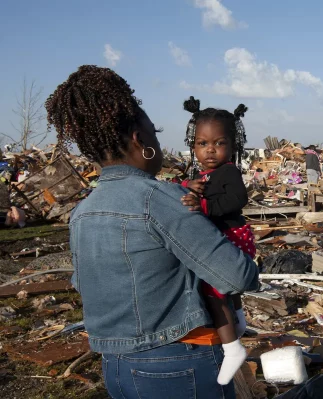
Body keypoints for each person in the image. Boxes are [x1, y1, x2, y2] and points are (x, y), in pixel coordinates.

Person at [45, 65, 258, 399]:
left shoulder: (83, 211)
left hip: (115, 367)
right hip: (178, 362)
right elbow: (236, 275)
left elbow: (89, 286)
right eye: (155, 133)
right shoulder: (161, 199)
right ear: (140, 140)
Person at [180, 97, 255, 385]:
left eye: (219, 143)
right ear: (193, 145)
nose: (210, 150)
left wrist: (204, 206)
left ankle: (232, 347)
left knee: (213, 291)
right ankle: (238, 320)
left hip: (232, 237)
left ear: (233, 146)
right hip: (224, 238)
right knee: (225, 289)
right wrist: (189, 187)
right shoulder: (204, 174)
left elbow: (238, 199)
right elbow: (193, 192)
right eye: (202, 144)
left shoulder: (229, 172)